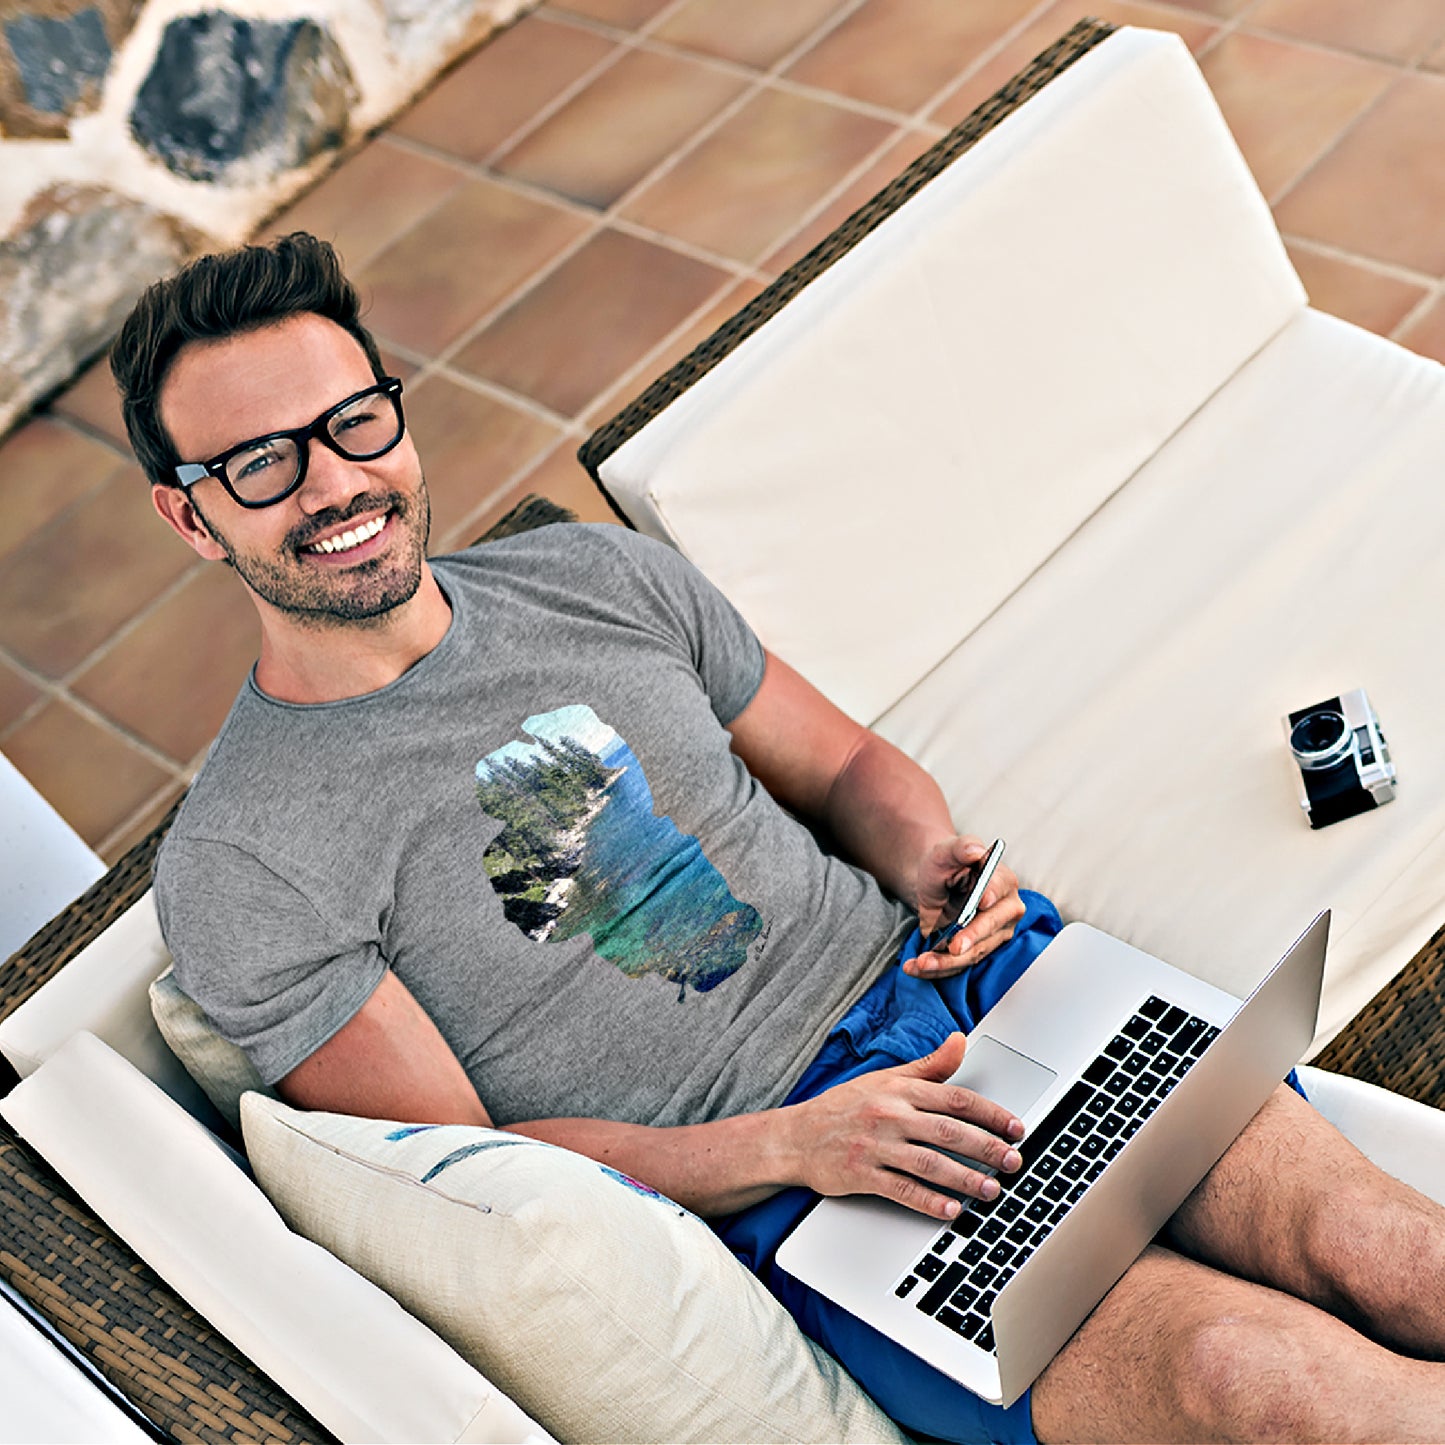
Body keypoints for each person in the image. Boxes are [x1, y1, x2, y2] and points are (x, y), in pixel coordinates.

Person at [113, 232, 1445, 1444]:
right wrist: (793, 1144)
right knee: (1244, 1378)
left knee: (1385, 1245)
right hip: (798, 1184)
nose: (336, 481)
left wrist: (926, 857)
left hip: (987, 997)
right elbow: (479, 1171)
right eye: (262, 462)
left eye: (353, 422)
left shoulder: (591, 575)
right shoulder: (243, 864)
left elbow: (852, 765)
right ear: (189, 511)